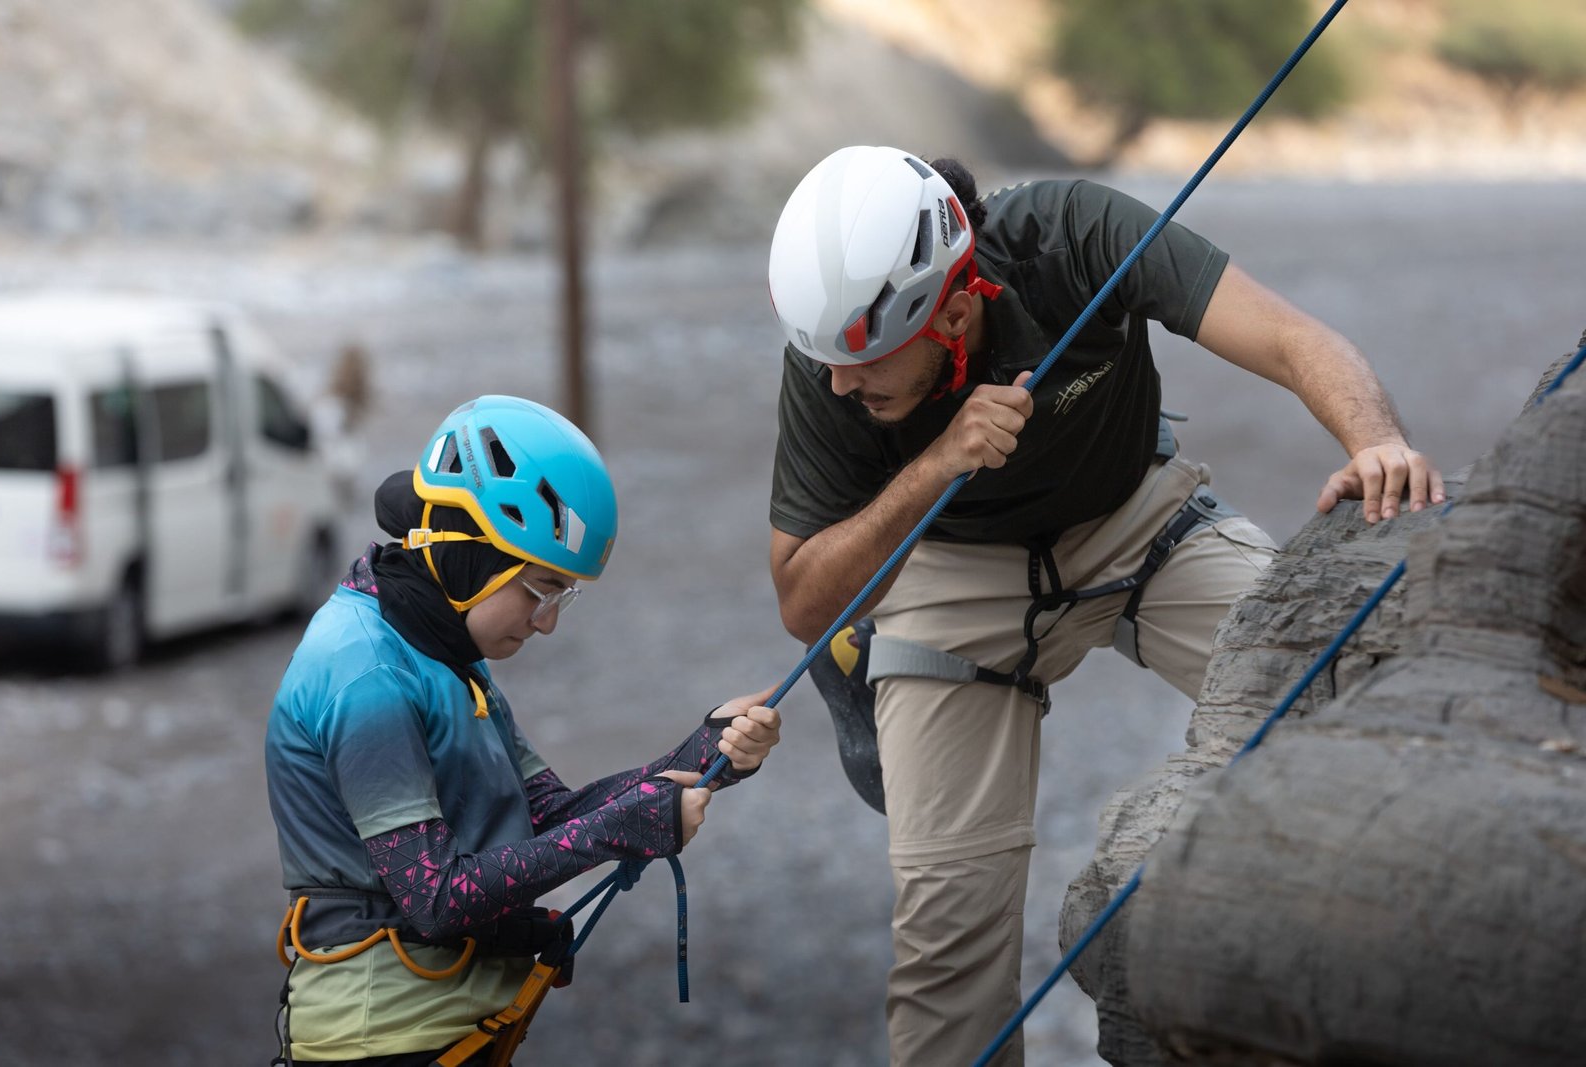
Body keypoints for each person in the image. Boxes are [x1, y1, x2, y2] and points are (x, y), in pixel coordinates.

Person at [765, 146, 1443, 1065]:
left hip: (1138, 520)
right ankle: (879, 682)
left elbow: (1292, 338)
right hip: (949, 570)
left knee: (1347, 686)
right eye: (832, 367)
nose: (842, 386)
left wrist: (1378, 443)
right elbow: (804, 603)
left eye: (868, 368)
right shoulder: (829, 356)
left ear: (955, 309)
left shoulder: (1072, 232)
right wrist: (935, 462)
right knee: (945, 941)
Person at [265, 394, 781, 1066]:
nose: (548, 621)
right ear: (474, 551)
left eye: (563, 595)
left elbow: (547, 814)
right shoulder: (365, 671)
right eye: (541, 588)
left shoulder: (441, 651)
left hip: (451, 1030)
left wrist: (703, 754)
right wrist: (629, 825)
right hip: (380, 1039)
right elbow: (437, 897)